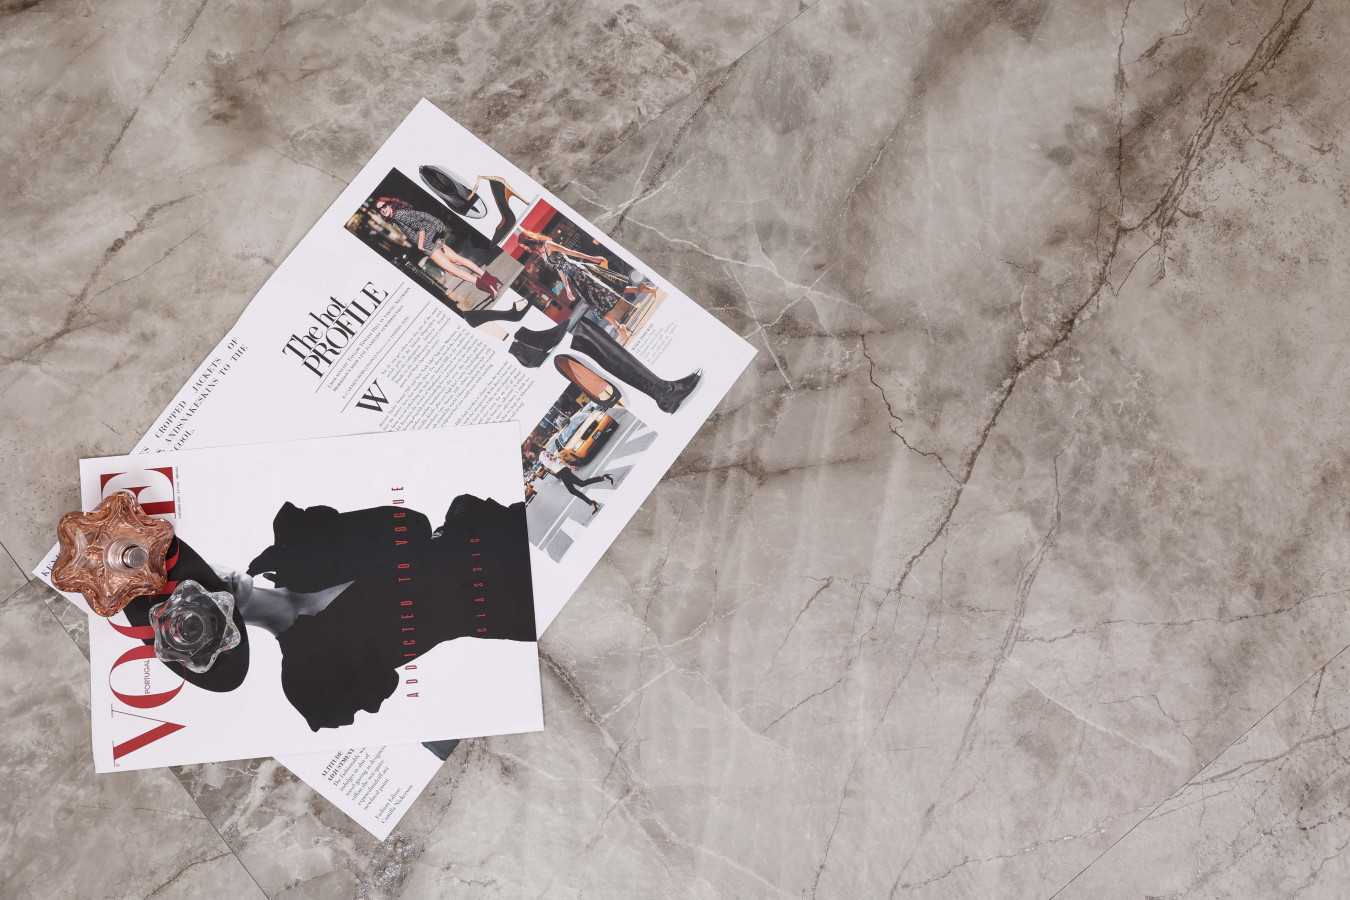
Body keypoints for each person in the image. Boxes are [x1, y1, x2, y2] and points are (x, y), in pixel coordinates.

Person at [374, 197, 508, 299]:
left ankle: (488, 287)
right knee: (459, 260)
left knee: (453, 271)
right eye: (380, 209)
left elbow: (421, 227)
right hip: (434, 240)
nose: (382, 210)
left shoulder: (399, 216)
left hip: (429, 245)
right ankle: (491, 280)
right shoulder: (399, 214)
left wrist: (420, 244)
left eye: (384, 206)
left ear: (389, 204)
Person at [536, 445, 614, 516]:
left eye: (530, 452)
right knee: (581, 484)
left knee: (573, 490)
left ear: (532, 450)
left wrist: (569, 466)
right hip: (562, 471)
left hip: (563, 471)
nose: (530, 454)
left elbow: (556, 459)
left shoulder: (543, 454)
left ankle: (591, 502)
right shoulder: (542, 455)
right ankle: (602, 479)